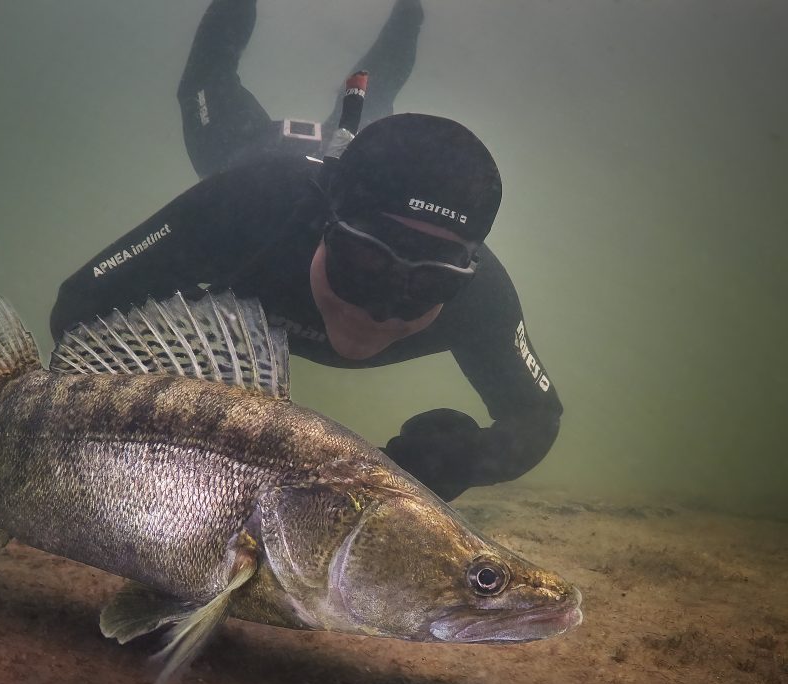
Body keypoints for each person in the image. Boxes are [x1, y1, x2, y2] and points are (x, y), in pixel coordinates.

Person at [49, 7, 561, 503]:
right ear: (324, 225)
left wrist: (462, 460)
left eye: (429, 285)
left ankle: (410, 10)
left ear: (463, 275)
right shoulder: (251, 208)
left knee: (369, 100)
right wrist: (170, 404)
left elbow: (535, 418)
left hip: (366, 171)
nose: (381, 311)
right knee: (207, 80)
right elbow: (80, 307)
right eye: (364, 263)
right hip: (255, 149)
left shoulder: (480, 295)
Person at [178, 0, 424, 178]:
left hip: (240, 168)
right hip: (323, 173)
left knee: (203, 80)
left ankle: (409, 9)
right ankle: (409, 9)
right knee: (370, 94)